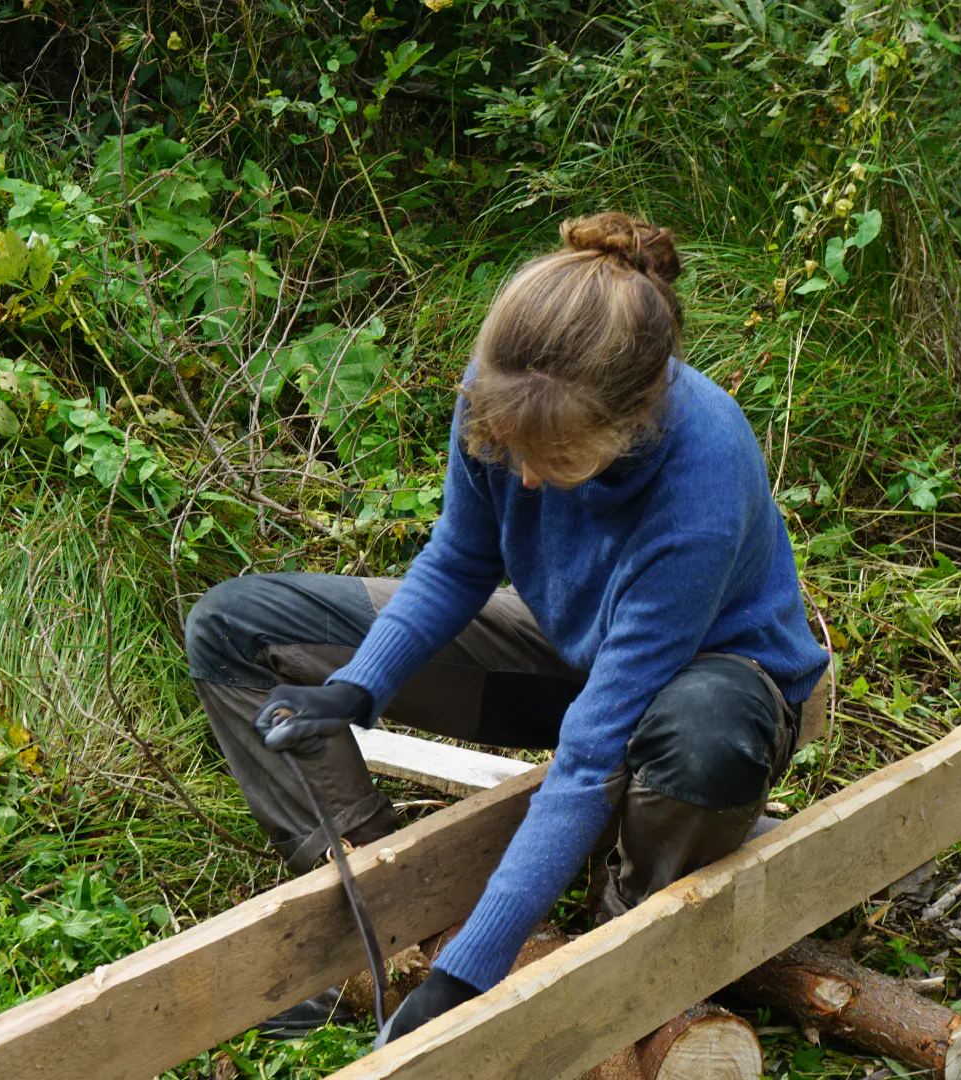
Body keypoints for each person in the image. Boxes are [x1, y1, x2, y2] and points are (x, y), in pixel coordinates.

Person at [184, 212, 828, 1046]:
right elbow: (458, 561)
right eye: (512, 451)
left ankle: (618, 932)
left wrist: (469, 977)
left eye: (553, 465)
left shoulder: (701, 476)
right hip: (569, 648)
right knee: (237, 629)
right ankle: (381, 919)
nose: (523, 476)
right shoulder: (507, 387)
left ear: (630, 422)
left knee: (704, 739)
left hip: (708, 675)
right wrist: (356, 685)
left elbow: (594, 752)